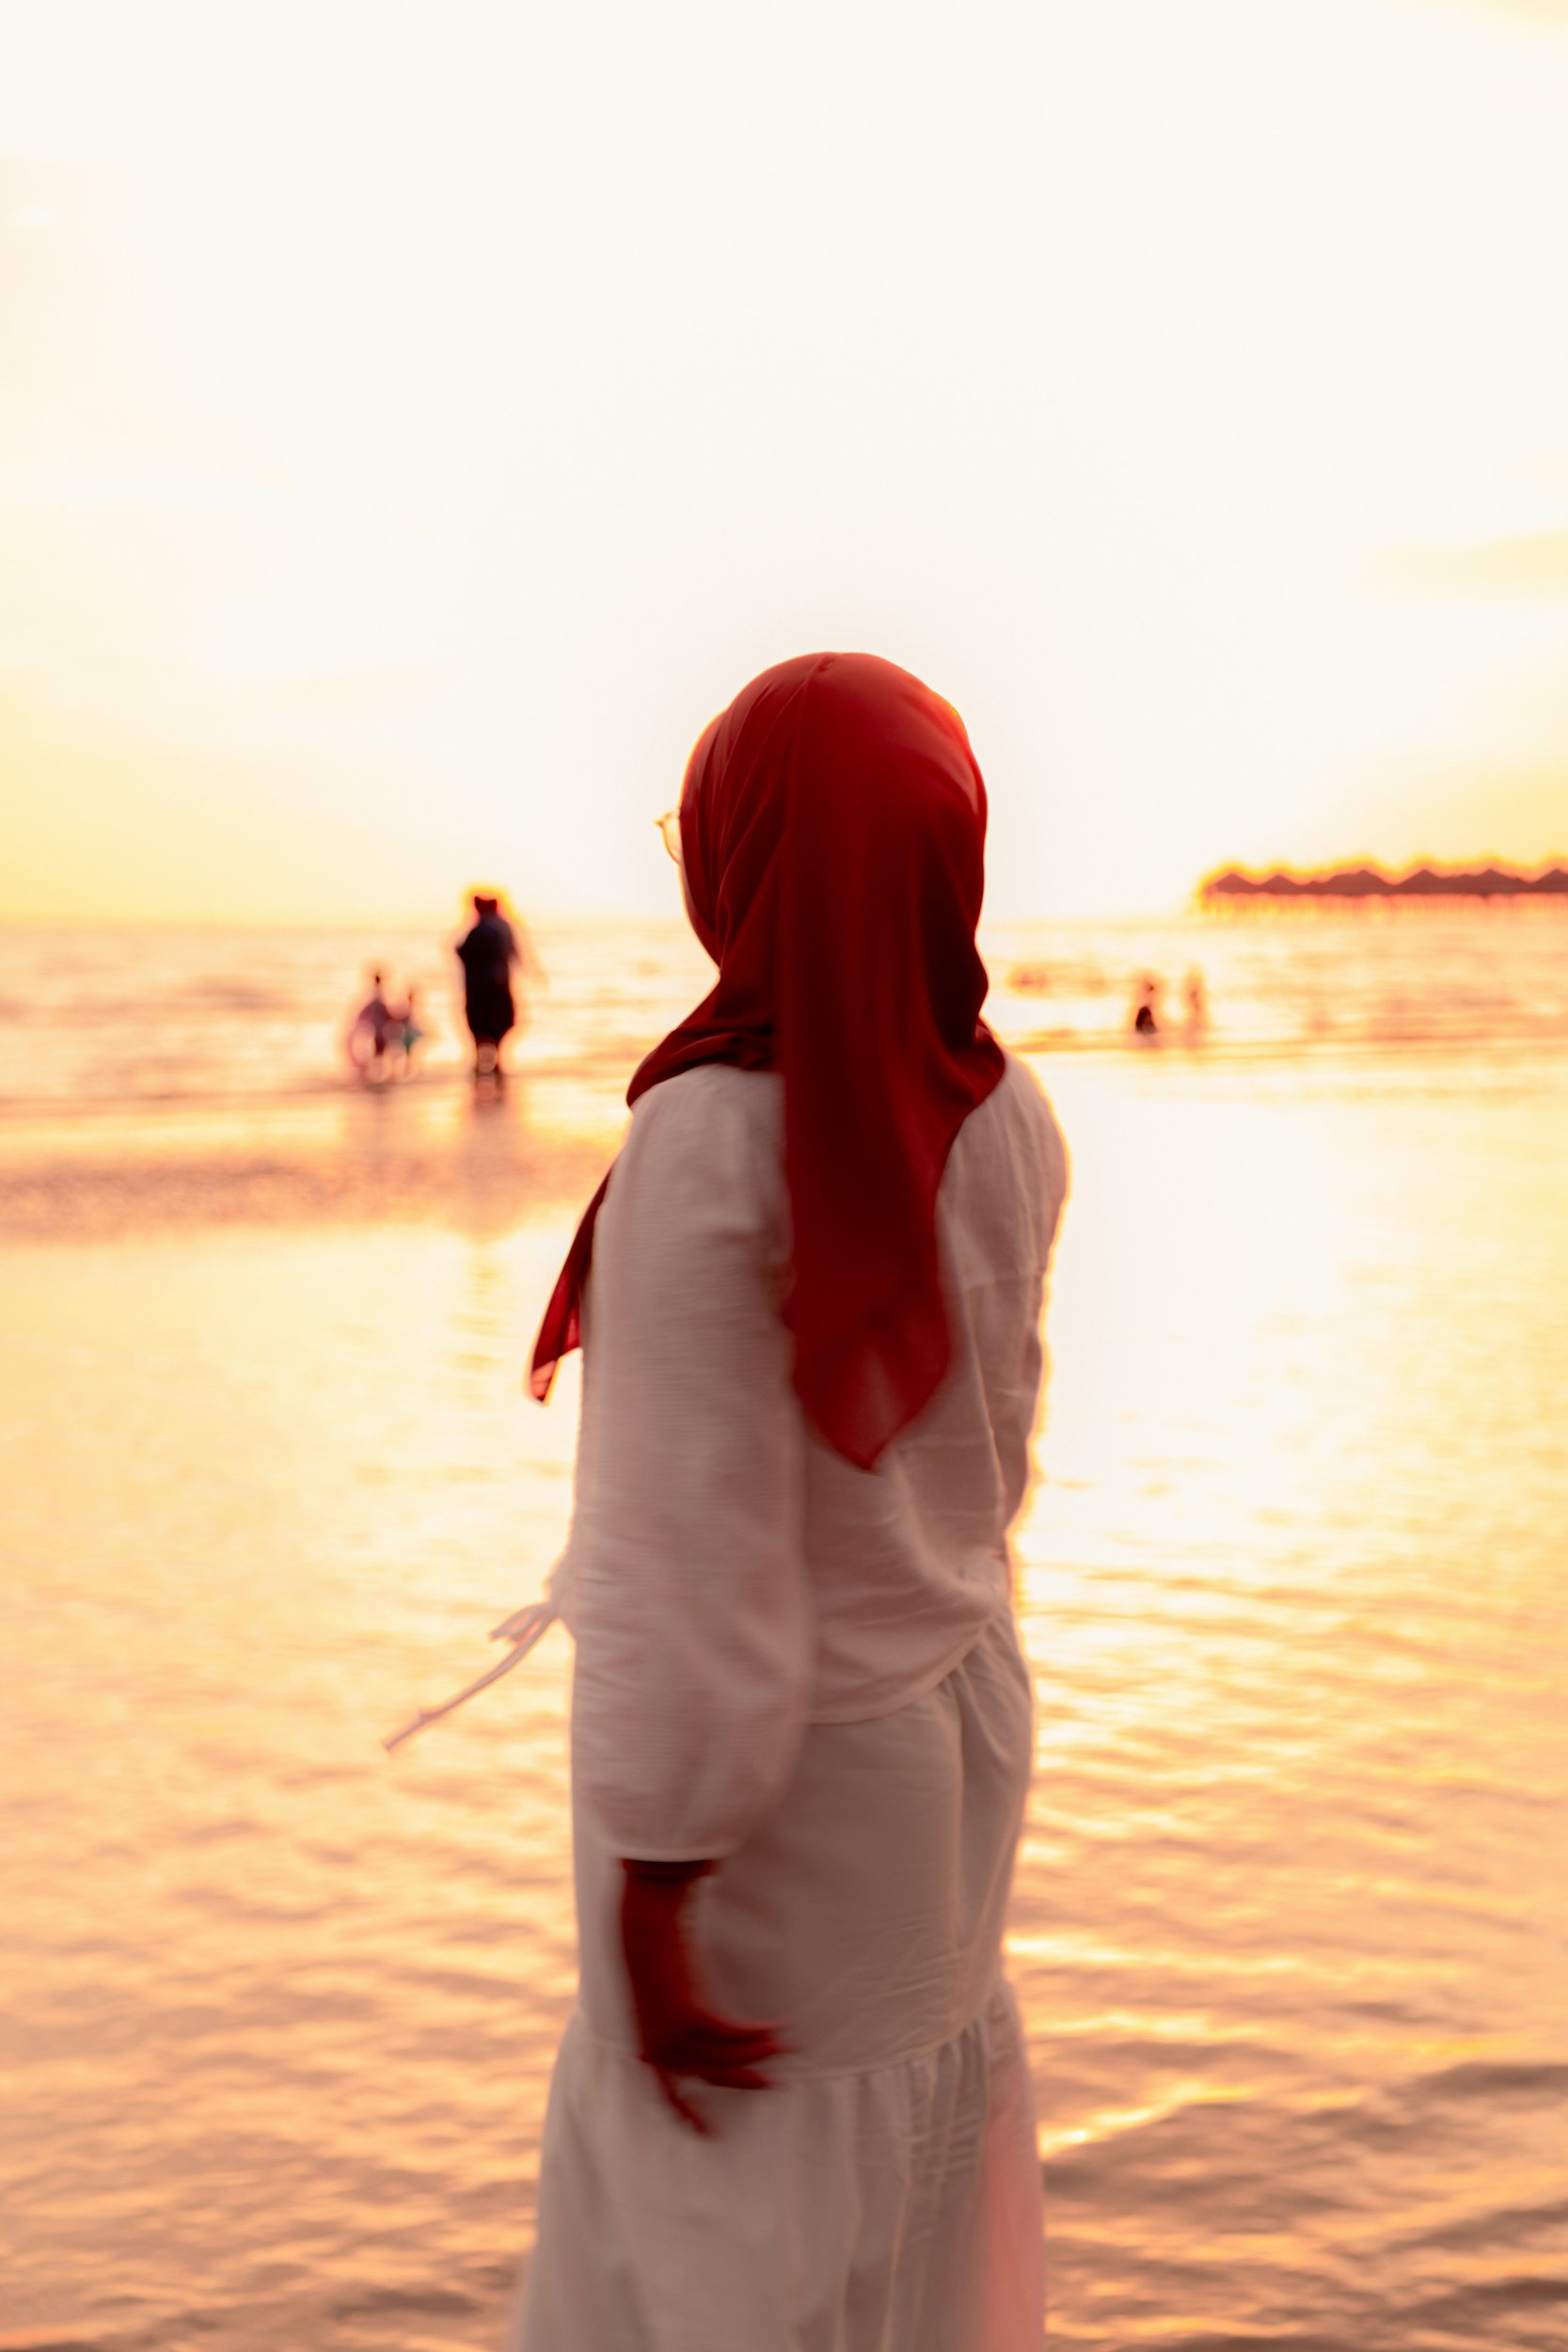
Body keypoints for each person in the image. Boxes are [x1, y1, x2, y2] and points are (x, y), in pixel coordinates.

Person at [511, 653, 1069, 2351]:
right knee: (899, 2227)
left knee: (717, 2253)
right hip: (950, 1758)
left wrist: (657, 1881)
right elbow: (994, 1470)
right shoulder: (1007, 1108)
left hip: (764, 1816)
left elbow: (686, 1556)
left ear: (748, 857)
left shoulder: (709, 1130)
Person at [455, 892, 521, 1076]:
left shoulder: (482, 930)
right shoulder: (500, 928)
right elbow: (514, 953)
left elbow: (461, 952)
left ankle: (483, 1060)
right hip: (497, 984)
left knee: (481, 1022)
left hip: (480, 986)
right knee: (496, 1022)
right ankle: (495, 1060)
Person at [344, 970, 399, 1080]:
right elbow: (386, 1014)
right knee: (380, 1056)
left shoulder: (377, 997)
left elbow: (366, 1013)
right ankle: (378, 1076)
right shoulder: (378, 998)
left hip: (379, 1033)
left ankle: (377, 1076)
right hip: (380, 1033)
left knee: (380, 1056)